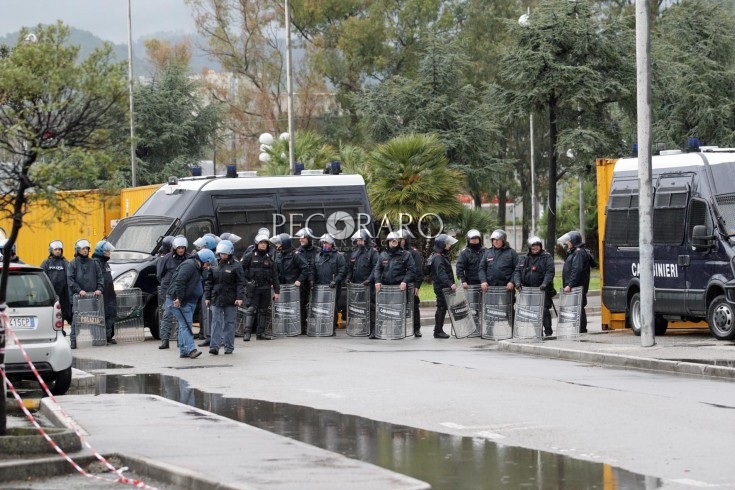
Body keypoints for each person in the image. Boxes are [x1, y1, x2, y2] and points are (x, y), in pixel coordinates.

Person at [167, 248, 216, 359]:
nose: (207, 266)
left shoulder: (195, 266)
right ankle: (191, 349)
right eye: (207, 263)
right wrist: (179, 298)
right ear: (204, 259)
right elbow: (180, 281)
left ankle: (183, 350)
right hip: (180, 301)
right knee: (186, 325)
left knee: (183, 324)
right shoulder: (190, 266)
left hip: (187, 301)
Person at [205, 240, 246, 355]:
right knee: (216, 322)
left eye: (224, 253)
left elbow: (240, 283)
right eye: (221, 253)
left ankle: (229, 346)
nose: (222, 255)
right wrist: (207, 297)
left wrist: (239, 297)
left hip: (231, 298)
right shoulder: (214, 265)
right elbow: (209, 282)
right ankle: (214, 346)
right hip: (217, 298)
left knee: (229, 323)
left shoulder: (236, 266)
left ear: (229, 253)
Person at [374, 231, 417, 339]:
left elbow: (412, 270)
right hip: (386, 288)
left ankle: (397, 331)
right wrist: (377, 281)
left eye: (395, 241)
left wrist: (405, 281)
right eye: (391, 241)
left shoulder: (406, 254)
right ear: (387, 242)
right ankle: (377, 331)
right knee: (382, 309)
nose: (393, 242)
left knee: (399, 309)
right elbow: (377, 269)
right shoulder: (383, 254)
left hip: (399, 288)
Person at [513, 236, 555, 336]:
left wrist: (545, 284)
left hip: (542, 289)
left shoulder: (546, 257)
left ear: (540, 246)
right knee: (532, 312)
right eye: (533, 246)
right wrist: (518, 283)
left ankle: (548, 331)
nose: (535, 248)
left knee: (544, 310)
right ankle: (537, 331)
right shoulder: (524, 258)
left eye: (537, 245)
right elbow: (517, 271)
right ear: (529, 247)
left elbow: (550, 272)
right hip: (528, 291)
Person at [241, 233, 280, 340]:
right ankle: (247, 333)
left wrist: (277, 291)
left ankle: (260, 333)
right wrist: (246, 283)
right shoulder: (249, 256)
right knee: (251, 309)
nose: (263, 245)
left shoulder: (270, 258)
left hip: (266, 288)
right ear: (257, 244)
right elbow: (240, 271)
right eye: (261, 243)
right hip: (253, 288)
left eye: (265, 243)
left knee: (263, 310)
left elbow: (275, 276)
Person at [67, 238, 104, 349]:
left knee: (95, 318)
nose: (85, 251)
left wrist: (100, 289)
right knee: (76, 320)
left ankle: (96, 339)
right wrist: (79, 290)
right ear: (78, 250)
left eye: (87, 248)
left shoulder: (94, 263)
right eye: (83, 248)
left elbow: (100, 277)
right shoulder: (73, 263)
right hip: (79, 298)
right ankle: (73, 341)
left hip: (93, 297)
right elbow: (70, 279)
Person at [156, 235, 188, 349]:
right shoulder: (166, 258)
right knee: (167, 316)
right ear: (174, 248)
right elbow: (160, 274)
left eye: (182, 248)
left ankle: (181, 340)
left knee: (181, 318)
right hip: (169, 292)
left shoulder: (187, 259)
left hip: (182, 292)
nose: (181, 250)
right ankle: (165, 340)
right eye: (179, 248)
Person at [559, 230, 592, 333]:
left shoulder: (578, 253)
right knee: (576, 306)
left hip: (577, 286)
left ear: (573, 241)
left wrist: (570, 284)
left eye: (568, 241)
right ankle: (578, 328)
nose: (566, 243)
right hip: (576, 286)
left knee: (579, 307)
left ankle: (581, 329)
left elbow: (576, 270)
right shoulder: (575, 252)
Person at [346, 229, 378, 336]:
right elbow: (351, 268)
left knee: (371, 307)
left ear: (366, 240)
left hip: (369, 285)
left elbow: (375, 268)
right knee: (362, 308)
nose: (359, 242)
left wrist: (369, 279)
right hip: (358, 286)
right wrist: (349, 278)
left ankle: (374, 330)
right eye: (358, 240)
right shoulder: (355, 253)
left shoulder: (373, 252)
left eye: (361, 240)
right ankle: (365, 328)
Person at [313, 233, 346, 333]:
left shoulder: (338, 257)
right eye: (323, 243)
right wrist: (312, 281)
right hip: (320, 286)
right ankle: (322, 326)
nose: (325, 245)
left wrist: (335, 281)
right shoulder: (318, 256)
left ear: (332, 244)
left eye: (327, 243)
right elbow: (314, 270)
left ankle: (331, 328)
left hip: (333, 287)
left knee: (332, 307)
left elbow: (342, 271)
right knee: (321, 307)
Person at [428, 234, 458, 339]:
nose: (449, 245)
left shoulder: (440, 255)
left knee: (442, 307)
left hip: (442, 286)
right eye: (447, 243)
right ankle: (438, 331)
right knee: (441, 307)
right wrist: (450, 284)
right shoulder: (438, 257)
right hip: (441, 286)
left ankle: (438, 329)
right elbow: (441, 274)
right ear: (442, 244)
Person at [41, 240, 72, 335]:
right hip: (51, 293)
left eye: (59, 249)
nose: (58, 251)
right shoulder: (46, 263)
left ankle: (61, 329)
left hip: (64, 293)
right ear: (51, 250)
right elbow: (43, 277)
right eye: (56, 249)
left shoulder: (65, 263)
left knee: (63, 311)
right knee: (51, 312)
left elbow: (70, 276)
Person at [398, 229, 423, 338]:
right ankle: (398, 328)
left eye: (402, 239)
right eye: (399, 239)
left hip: (411, 284)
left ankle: (416, 329)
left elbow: (418, 270)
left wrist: (417, 285)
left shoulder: (414, 252)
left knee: (414, 306)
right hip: (399, 283)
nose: (401, 241)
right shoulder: (396, 252)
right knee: (398, 306)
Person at [92, 240, 118, 345]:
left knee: (111, 314)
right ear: (101, 252)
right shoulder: (95, 263)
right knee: (101, 316)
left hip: (109, 293)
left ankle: (108, 336)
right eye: (107, 251)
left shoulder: (105, 263)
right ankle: (101, 337)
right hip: (102, 294)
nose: (109, 253)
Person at [295, 227, 317, 335]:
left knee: (316, 304)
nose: (301, 240)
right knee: (301, 304)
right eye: (300, 238)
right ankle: (303, 327)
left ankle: (316, 326)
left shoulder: (317, 251)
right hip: (302, 282)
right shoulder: (298, 252)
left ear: (309, 238)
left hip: (315, 281)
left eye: (303, 237)